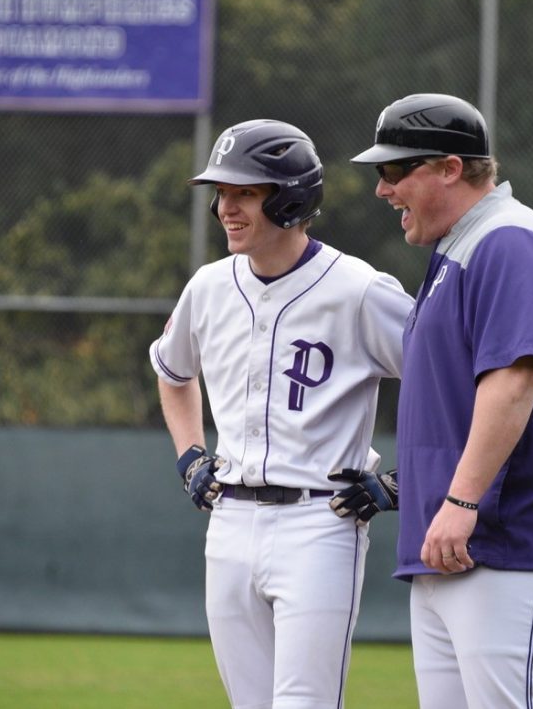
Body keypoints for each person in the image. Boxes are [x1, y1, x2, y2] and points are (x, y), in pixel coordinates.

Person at [340, 93, 533, 709]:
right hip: (458, 546)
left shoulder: (509, 240)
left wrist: (460, 498)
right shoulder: (459, 250)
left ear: (449, 167)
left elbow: (513, 383)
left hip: (515, 541)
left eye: (393, 171)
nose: (382, 191)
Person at [149, 118, 414, 709]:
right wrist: (190, 452)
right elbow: (172, 373)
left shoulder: (359, 290)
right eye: (222, 192)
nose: (225, 208)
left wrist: (407, 480)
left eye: (245, 191)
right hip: (230, 523)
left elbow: (456, 381)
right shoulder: (208, 287)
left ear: (291, 198)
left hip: (320, 524)